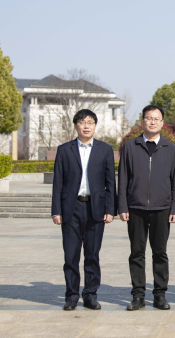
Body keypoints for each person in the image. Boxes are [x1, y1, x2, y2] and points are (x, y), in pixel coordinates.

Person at [51, 109, 116, 311]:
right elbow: (58, 181)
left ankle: (90, 295)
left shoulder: (105, 149)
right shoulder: (64, 150)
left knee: (92, 255)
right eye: (82, 122)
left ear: (95, 126)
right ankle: (71, 296)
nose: (86, 126)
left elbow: (110, 182)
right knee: (71, 255)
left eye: (90, 122)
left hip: (95, 208)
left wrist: (110, 209)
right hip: (71, 208)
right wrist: (56, 210)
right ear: (75, 125)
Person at [118, 105, 175, 311]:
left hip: (162, 208)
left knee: (160, 253)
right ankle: (138, 296)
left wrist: (174, 208)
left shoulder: (170, 148)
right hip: (135, 208)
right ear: (142, 121)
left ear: (162, 123)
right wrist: (122, 205)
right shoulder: (130, 146)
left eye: (156, 118)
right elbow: (123, 178)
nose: (152, 122)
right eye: (149, 118)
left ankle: (160, 295)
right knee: (137, 253)